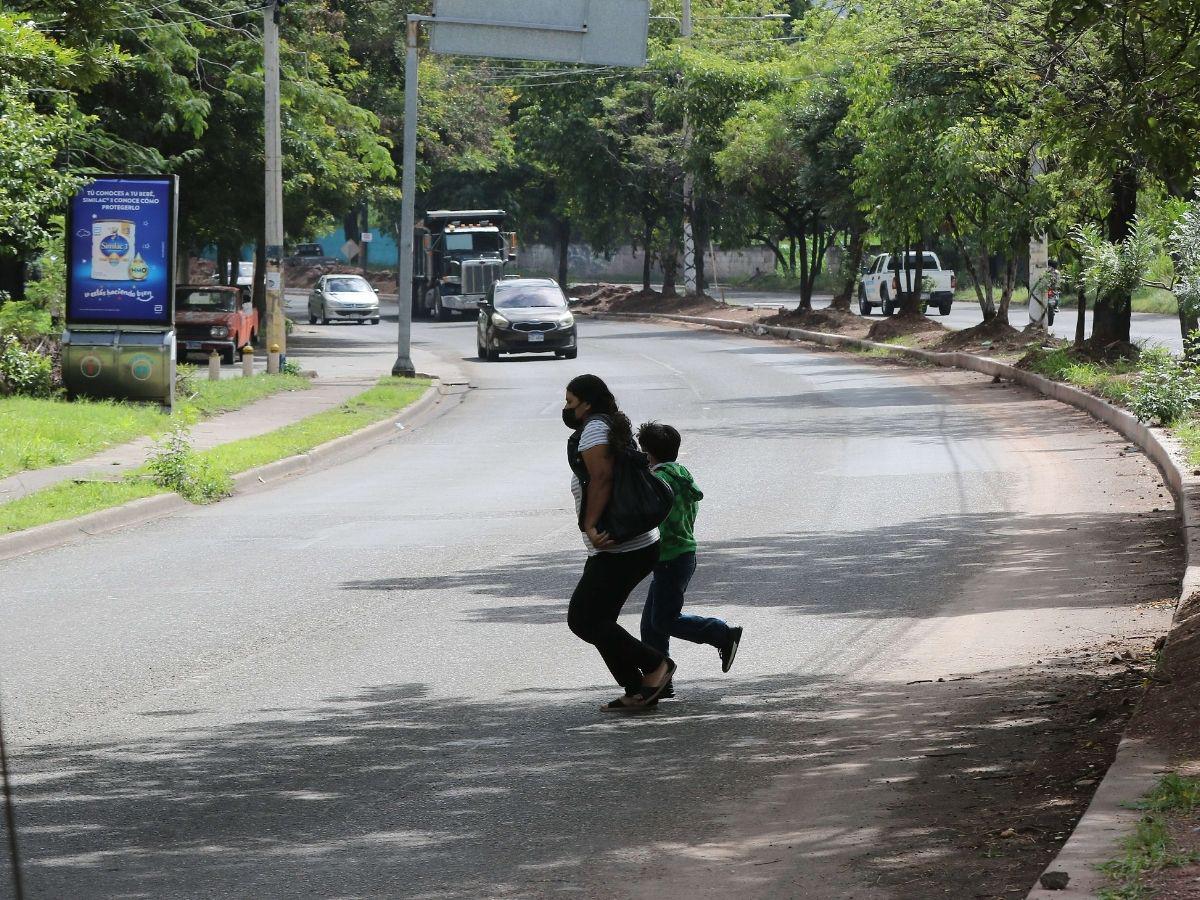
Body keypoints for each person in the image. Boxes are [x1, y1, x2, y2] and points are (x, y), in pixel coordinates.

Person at [563, 374, 676, 712]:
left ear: (587, 402)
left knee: (583, 619)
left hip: (622, 547)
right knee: (598, 622)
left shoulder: (595, 428)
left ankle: (656, 666)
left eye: (571, 402)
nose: (567, 409)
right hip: (622, 546)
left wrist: (590, 522)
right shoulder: (608, 423)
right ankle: (640, 688)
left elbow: (602, 477)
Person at [637, 422, 742, 692]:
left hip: (671, 556)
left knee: (663, 620)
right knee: (651, 626)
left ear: (648, 454)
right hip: (681, 555)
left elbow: (649, 515)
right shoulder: (681, 473)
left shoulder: (658, 481)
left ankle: (722, 633)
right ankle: (661, 681)